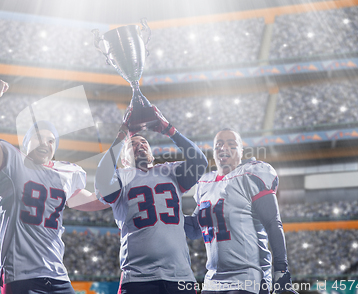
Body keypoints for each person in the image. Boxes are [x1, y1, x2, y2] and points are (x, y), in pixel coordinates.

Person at [0, 79, 108, 294]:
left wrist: (123, 188)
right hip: (21, 274)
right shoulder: (12, 162)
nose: (45, 143)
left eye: (51, 141)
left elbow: (96, 201)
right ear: (25, 143)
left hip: (57, 275)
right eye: (38, 138)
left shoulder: (66, 174)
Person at [94, 106, 208, 294]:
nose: (140, 145)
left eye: (144, 142)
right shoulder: (121, 177)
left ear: (152, 154)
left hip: (180, 277)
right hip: (139, 278)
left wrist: (169, 129)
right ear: (123, 159)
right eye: (133, 144)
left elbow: (200, 162)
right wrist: (123, 135)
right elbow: (102, 178)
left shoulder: (170, 171)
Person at [184, 128, 296, 294]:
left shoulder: (251, 174)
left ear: (242, 151)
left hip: (248, 278)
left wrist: (281, 270)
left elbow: (273, 223)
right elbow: (194, 229)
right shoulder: (205, 183)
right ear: (213, 152)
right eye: (219, 144)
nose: (224, 148)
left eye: (231, 144)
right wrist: (164, 211)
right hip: (213, 280)